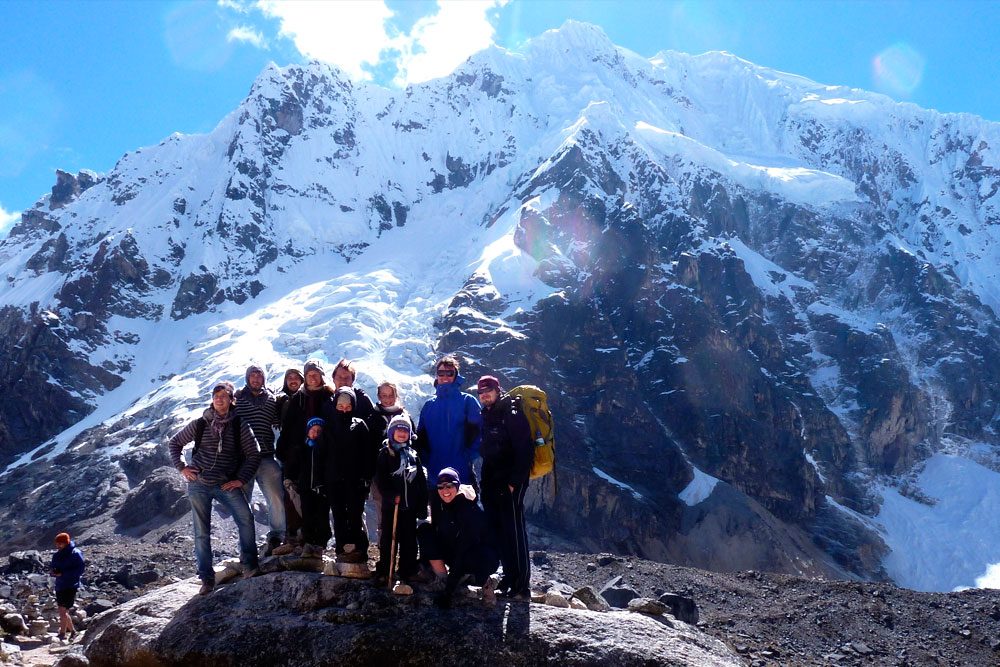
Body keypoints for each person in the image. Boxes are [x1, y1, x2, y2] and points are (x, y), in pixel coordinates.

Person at [168, 381, 261, 595]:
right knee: (202, 532)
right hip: (199, 484)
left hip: (225, 483)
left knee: (246, 519)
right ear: (212, 399)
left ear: (231, 400)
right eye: (216, 395)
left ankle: (250, 566)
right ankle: (207, 579)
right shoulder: (201, 423)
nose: (219, 399)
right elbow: (175, 443)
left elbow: (254, 454)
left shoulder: (240, 425)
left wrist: (240, 479)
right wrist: (182, 467)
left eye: (223, 395)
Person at [477, 375, 534, 599]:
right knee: (500, 532)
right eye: (481, 392)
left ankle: (522, 586)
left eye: (488, 390)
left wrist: (514, 483)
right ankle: (509, 579)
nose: (484, 395)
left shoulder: (512, 414)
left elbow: (525, 450)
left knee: (515, 531)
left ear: (497, 390)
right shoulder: (489, 415)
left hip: (510, 483)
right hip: (493, 484)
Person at [279, 360, 337, 557]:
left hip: (325, 456)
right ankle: (304, 538)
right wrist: (285, 453)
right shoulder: (298, 399)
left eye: (316, 373)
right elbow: (287, 428)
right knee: (303, 497)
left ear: (321, 376)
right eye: (309, 374)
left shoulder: (330, 397)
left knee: (322, 499)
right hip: (302, 456)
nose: (313, 377)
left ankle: (320, 541)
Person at [418, 468, 499, 608]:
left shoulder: (468, 510)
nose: (445, 490)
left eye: (449, 486)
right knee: (425, 531)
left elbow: (463, 549)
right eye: (440, 487)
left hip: (476, 555)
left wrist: (448, 593)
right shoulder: (441, 504)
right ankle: (442, 579)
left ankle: (487, 584)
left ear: (457, 486)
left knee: (472, 557)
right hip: (455, 550)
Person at [416, 355, 482, 519]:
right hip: (435, 476)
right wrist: (428, 461)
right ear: (436, 376)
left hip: (462, 474)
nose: (445, 376)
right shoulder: (429, 405)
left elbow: (480, 431)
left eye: (449, 373)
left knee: (466, 523)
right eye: (441, 373)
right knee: (439, 522)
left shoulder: (468, 401)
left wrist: (468, 455)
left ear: (456, 375)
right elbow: (421, 438)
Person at [234, 364, 285, 555]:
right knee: (242, 503)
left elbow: (280, 418)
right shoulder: (237, 399)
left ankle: (278, 536)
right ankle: (246, 547)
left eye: (259, 376)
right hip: (243, 459)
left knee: (276, 497)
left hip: (266, 456)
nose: (256, 379)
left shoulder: (272, 399)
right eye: (252, 376)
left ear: (264, 379)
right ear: (247, 378)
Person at [374, 415, 427, 584]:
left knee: (409, 540)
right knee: (389, 538)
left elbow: (420, 482)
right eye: (398, 430)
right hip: (391, 506)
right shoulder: (385, 453)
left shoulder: (413, 455)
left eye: (405, 430)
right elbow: (380, 480)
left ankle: (407, 570)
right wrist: (390, 496)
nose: (402, 433)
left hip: (409, 506)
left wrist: (422, 505)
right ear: (391, 433)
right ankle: (385, 570)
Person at [324, 387, 372, 562]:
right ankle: (341, 550)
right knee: (338, 515)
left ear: (353, 406)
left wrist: (366, 477)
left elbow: (367, 454)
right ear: (335, 405)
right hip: (333, 479)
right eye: (340, 405)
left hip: (355, 480)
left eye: (348, 406)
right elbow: (322, 454)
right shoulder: (327, 425)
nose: (344, 409)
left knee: (355, 514)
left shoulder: (359, 425)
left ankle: (358, 550)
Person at [370, 381, 416, 542]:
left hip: (404, 472)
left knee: (405, 510)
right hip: (380, 473)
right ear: (378, 396)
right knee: (383, 510)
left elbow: (414, 442)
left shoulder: (405, 416)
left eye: (391, 395)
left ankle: (403, 550)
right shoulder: (373, 417)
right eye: (384, 396)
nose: (387, 399)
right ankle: (385, 549)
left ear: (396, 396)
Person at [273, 368, 305, 553]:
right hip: (287, 452)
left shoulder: (307, 398)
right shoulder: (280, 400)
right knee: (289, 494)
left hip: (306, 452)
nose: (293, 381)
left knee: (304, 494)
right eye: (289, 378)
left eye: (296, 378)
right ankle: (291, 536)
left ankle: (304, 535)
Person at [50, 532, 84, 641]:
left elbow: (80, 570)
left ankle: (62, 633)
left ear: (66, 542)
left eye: (60, 543)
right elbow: (53, 566)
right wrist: (53, 572)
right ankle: (73, 632)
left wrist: (63, 573)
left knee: (62, 611)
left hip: (70, 585)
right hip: (60, 585)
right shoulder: (57, 554)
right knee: (63, 611)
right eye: (57, 543)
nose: (58, 546)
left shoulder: (75, 553)